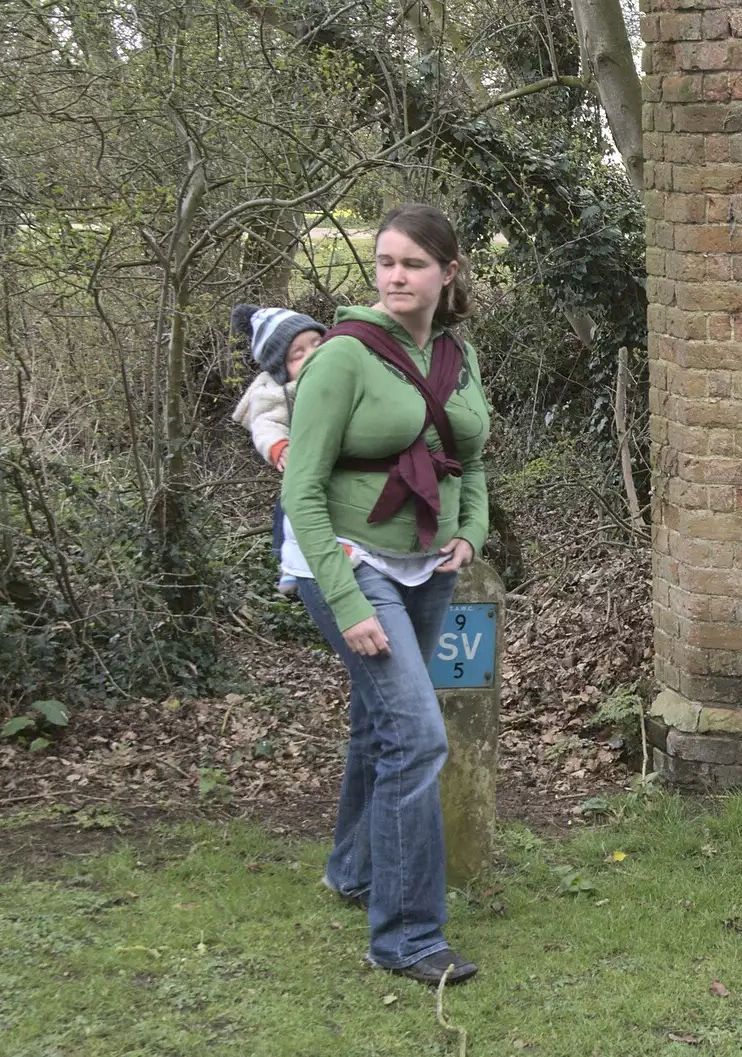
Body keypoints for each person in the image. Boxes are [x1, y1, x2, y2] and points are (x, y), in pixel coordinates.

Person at [281, 203, 491, 985]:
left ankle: (353, 869)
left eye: (412, 263)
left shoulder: (455, 355)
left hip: (427, 561)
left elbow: (470, 453)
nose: (396, 276)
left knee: (381, 729)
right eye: (386, 263)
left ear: (448, 272)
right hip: (347, 559)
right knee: (419, 738)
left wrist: (471, 530)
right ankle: (404, 935)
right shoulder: (343, 356)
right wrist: (349, 603)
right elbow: (300, 491)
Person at [229, 304, 327, 596]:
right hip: (302, 461)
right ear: (281, 368)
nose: (312, 354)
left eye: (317, 344)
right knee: (293, 510)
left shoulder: (338, 372)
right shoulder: (276, 391)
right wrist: (278, 447)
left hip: (338, 459)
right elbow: (265, 424)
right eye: (298, 353)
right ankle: (291, 568)